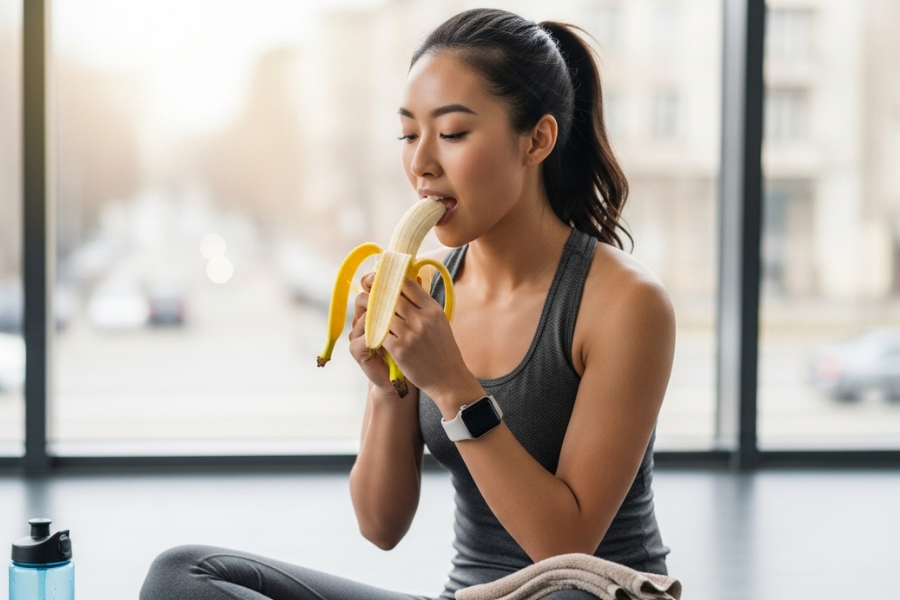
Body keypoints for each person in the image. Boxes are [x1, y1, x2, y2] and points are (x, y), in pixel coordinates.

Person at [140, 8, 675, 600]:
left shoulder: (627, 303)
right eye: (407, 134)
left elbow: (565, 548)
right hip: (469, 595)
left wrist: (453, 386)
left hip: (587, 592)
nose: (421, 163)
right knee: (182, 575)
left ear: (537, 141)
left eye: (451, 134)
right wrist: (386, 384)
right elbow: (380, 525)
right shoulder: (429, 290)